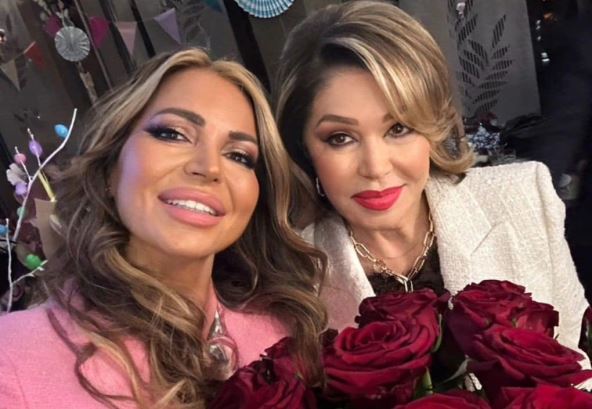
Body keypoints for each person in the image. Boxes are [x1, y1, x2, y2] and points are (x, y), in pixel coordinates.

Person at [0, 48, 326, 408]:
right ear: (109, 167)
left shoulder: (283, 332)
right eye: (173, 134)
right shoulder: (12, 359)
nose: (209, 167)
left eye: (239, 156)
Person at [273, 0, 588, 358]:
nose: (376, 167)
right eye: (340, 138)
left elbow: (577, 360)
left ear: (433, 127)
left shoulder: (524, 198)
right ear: (303, 148)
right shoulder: (291, 275)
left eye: (399, 128)